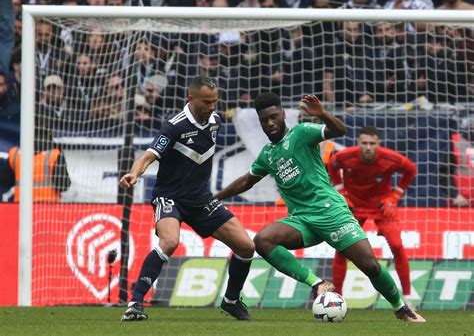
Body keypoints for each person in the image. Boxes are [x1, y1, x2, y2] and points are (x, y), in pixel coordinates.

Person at [215, 92, 425, 322]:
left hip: (331, 213)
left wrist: (322, 114)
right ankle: (318, 283)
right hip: (302, 220)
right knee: (263, 241)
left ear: (283, 115)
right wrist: (217, 196)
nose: (270, 123)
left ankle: (400, 308)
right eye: (265, 120)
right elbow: (247, 180)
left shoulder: (302, 133)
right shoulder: (267, 154)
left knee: (371, 266)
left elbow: (339, 131)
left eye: (274, 117)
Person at [119, 76, 255, 322]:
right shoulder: (174, 125)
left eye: (215, 101)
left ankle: (231, 301)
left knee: (246, 247)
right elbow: (149, 155)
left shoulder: (216, 120)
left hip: (201, 199)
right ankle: (135, 303)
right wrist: (134, 173)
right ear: (190, 98)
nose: (212, 106)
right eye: (206, 101)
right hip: (170, 196)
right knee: (170, 241)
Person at [327, 126, 417, 310]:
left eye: (372, 143)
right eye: (364, 143)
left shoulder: (390, 158)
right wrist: (341, 192)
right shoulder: (345, 156)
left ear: (378, 144)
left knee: (397, 245)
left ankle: (407, 298)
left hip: (381, 207)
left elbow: (411, 170)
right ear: (358, 143)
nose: (368, 147)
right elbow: (332, 166)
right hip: (353, 206)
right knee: (342, 249)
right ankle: (338, 299)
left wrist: (395, 197)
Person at [0, 123, 71, 203]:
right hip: (48, 207)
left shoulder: (15, 153)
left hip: (21, 207)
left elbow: (5, 180)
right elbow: (63, 186)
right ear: (49, 132)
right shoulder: (55, 154)